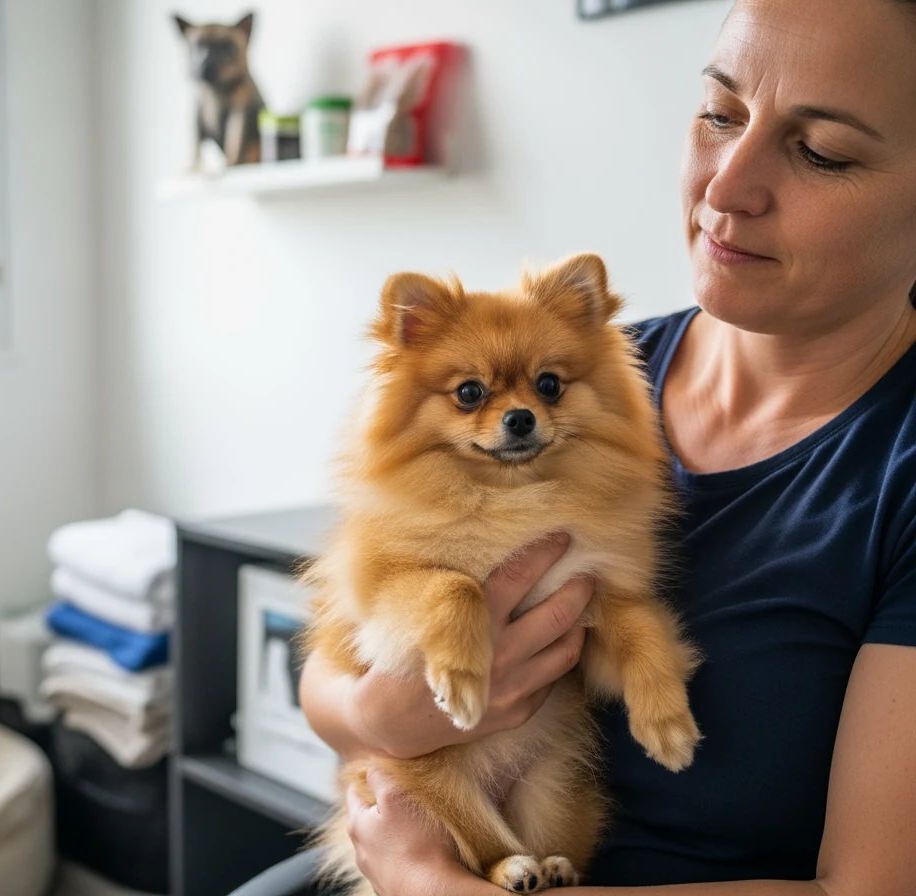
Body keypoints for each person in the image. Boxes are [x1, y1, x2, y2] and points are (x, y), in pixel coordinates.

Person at [301, 0, 916, 892]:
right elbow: (338, 649)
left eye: (819, 150)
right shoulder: (601, 365)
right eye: (719, 113)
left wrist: (439, 885)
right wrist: (377, 717)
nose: (726, 186)